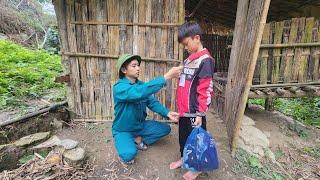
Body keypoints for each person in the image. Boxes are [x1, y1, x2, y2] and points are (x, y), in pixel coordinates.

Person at [112, 54, 182, 164]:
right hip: (123, 129)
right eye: (134, 66)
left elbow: (151, 102)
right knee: (128, 155)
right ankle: (128, 141)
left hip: (140, 126)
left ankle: (137, 138)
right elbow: (138, 93)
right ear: (124, 69)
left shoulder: (141, 85)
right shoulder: (119, 88)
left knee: (165, 129)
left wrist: (167, 113)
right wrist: (166, 77)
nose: (138, 68)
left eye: (138, 65)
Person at [169, 22, 215, 180]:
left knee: (197, 140)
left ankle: (197, 168)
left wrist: (200, 113)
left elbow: (205, 89)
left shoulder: (205, 60)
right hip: (184, 111)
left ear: (196, 38)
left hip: (195, 112)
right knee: (183, 137)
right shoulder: (189, 59)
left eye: (187, 44)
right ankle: (184, 158)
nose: (186, 48)